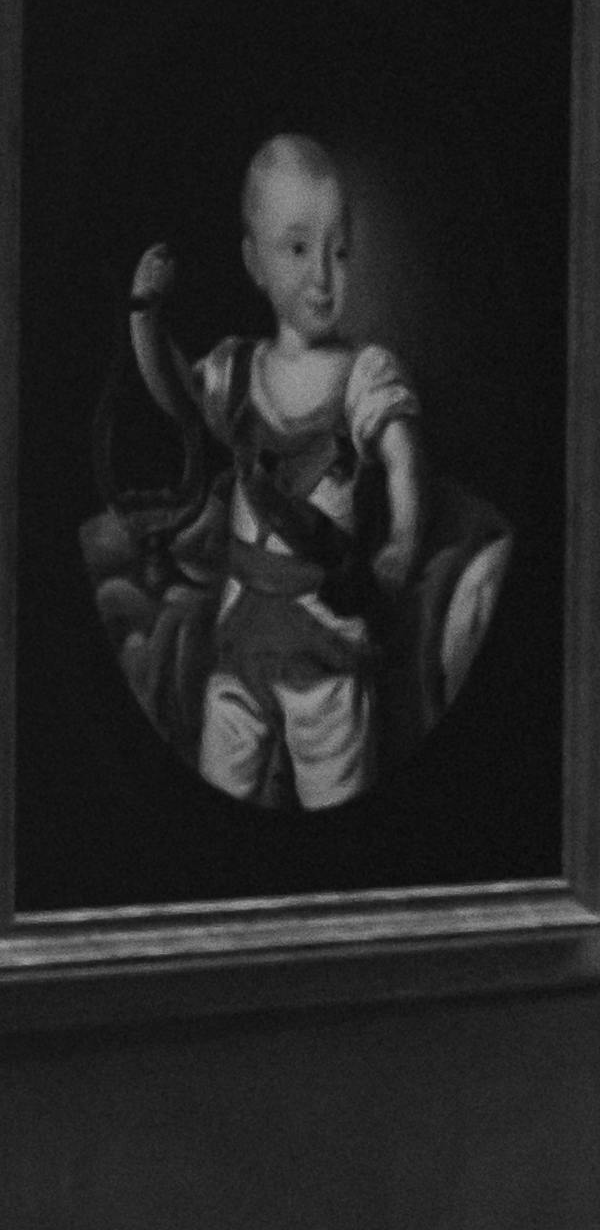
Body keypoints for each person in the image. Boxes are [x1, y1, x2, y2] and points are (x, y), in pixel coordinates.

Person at [125, 136, 422, 809]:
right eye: (297, 249)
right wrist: (145, 316)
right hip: (239, 643)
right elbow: (175, 394)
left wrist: (402, 541)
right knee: (217, 801)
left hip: (325, 649)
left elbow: (402, 457)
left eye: (339, 251)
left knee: (337, 804)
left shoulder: (362, 373)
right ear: (253, 261)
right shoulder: (235, 369)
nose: (323, 273)